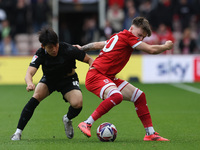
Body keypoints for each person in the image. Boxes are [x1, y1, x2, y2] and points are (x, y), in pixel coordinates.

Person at [76, 17, 173, 141]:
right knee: (116, 96)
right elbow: (151, 50)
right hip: (96, 75)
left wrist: (81, 48)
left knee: (139, 96)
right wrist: (166, 46)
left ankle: (150, 133)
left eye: (143, 37)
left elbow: (98, 44)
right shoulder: (128, 36)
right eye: (139, 35)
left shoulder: (118, 36)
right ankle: (87, 123)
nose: (140, 39)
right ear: (131, 28)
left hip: (108, 76)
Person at [11, 26, 94, 140]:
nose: (54, 49)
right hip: (49, 80)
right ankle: (17, 133)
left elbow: (90, 60)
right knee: (35, 97)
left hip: (68, 80)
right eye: (50, 47)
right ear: (43, 46)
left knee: (78, 104)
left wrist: (92, 71)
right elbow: (29, 73)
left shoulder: (68, 49)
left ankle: (67, 119)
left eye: (56, 45)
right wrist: (29, 83)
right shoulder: (40, 53)